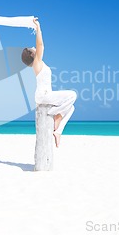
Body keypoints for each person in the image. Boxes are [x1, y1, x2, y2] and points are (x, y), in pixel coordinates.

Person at [21, 18, 77, 147]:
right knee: (73, 95)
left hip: (45, 95)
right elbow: (41, 45)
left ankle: (58, 131)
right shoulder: (37, 63)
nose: (34, 47)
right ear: (32, 55)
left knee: (71, 107)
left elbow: (39, 47)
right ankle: (56, 115)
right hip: (43, 96)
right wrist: (38, 28)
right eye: (32, 48)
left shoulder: (40, 64)